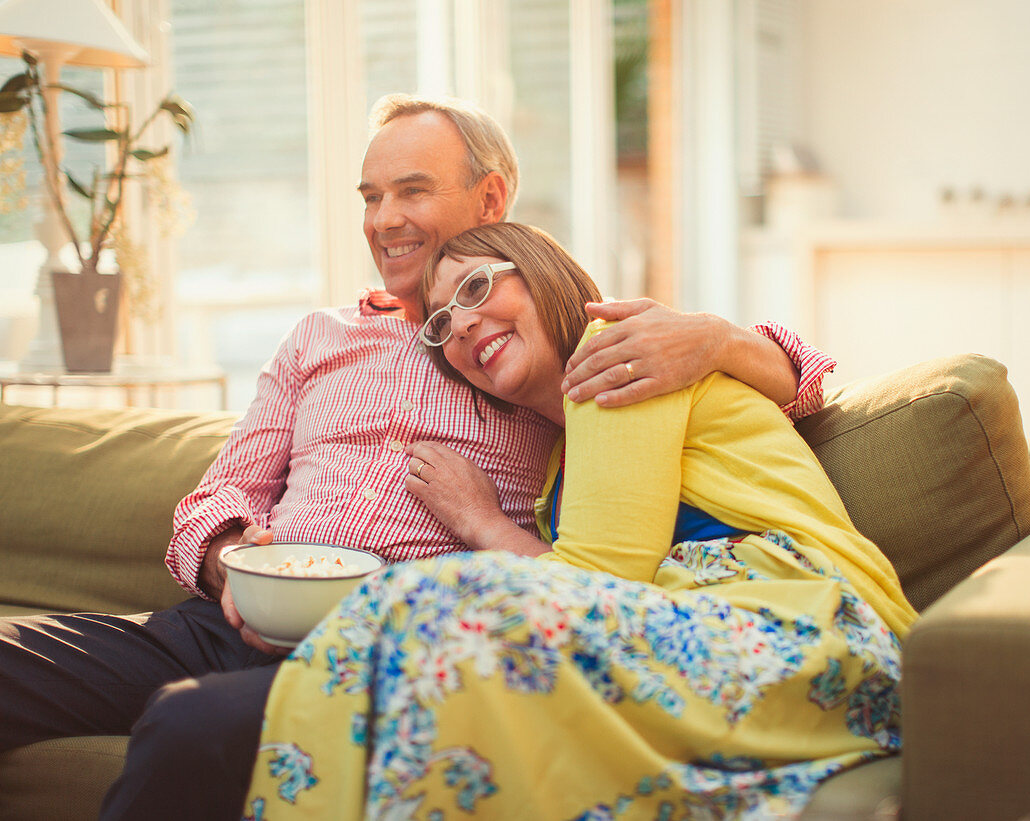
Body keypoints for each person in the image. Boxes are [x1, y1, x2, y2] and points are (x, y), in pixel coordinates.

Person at [0, 96, 831, 821]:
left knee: (188, 725)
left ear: (491, 197)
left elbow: (798, 389)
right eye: (370, 196)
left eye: (411, 190)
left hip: (386, 639)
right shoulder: (319, 337)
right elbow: (214, 496)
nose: (382, 217)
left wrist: (719, 336)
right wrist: (228, 565)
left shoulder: (534, 334)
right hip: (226, 622)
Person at [241, 222, 917, 820]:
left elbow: (598, 580)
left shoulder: (617, 355)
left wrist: (482, 523)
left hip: (809, 629)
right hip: (725, 634)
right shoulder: (564, 460)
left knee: (421, 602)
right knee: (413, 646)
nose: (464, 323)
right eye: (441, 322)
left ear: (537, 271)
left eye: (476, 287)